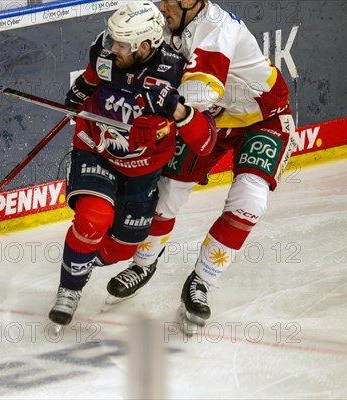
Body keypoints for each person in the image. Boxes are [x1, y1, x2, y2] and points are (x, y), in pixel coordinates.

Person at [105, 0, 297, 335]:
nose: (162, 6)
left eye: (169, 0)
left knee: (251, 201)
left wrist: (152, 112)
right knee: (166, 196)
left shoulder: (215, 29)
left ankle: (202, 281)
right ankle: (144, 264)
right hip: (211, 120)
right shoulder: (164, 21)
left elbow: (198, 93)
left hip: (261, 120)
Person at [48, 1, 216, 326]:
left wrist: (174, 115)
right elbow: (92, 77)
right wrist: (79, 93)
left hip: (143, 170)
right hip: (95, 149)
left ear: (145, 45)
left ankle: (80, 258)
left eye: (121, 44)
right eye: (112, 39)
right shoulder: (105, 49)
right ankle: (69, 290)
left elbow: (206, 141)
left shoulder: (178, 71)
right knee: (93, 219)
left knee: (121, 250)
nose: (112, 47)